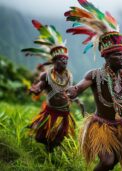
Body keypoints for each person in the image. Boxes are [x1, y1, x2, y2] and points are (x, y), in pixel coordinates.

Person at [65, 1, 122, 170]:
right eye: (118, 55)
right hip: (100, 125)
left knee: (115, 161)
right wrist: (74, 90)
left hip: (120, 126)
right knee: (106, 161)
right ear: (107, 57)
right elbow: (81, 86)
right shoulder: (95, 75)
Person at [21, 19, 81, 152]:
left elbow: (69, 91)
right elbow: (39, 86)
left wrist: (77, 100)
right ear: (54, 61)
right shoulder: (46, 75)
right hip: (51, 112)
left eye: (66, 59)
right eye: (61, 59)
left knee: (59, 138)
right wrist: (34, 89)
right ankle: (47, 150)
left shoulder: (69, 75)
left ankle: (51, 151)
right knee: (42, 137)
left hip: (64, 112)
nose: (64, 61)